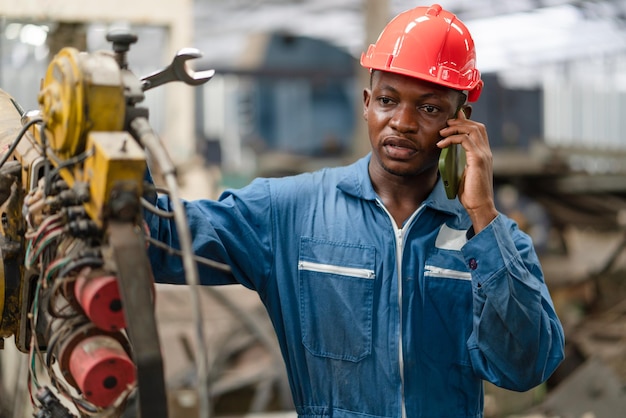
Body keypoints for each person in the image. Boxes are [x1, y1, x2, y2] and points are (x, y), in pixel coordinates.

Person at [145, 4, 565, 417]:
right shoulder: (290, 213)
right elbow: (159, 238)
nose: (401, 121)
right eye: (387, 99)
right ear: (366, 103)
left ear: (462, 122)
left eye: (429, 107)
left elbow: (526, 367)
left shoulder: (495, 241)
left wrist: (484, 216)